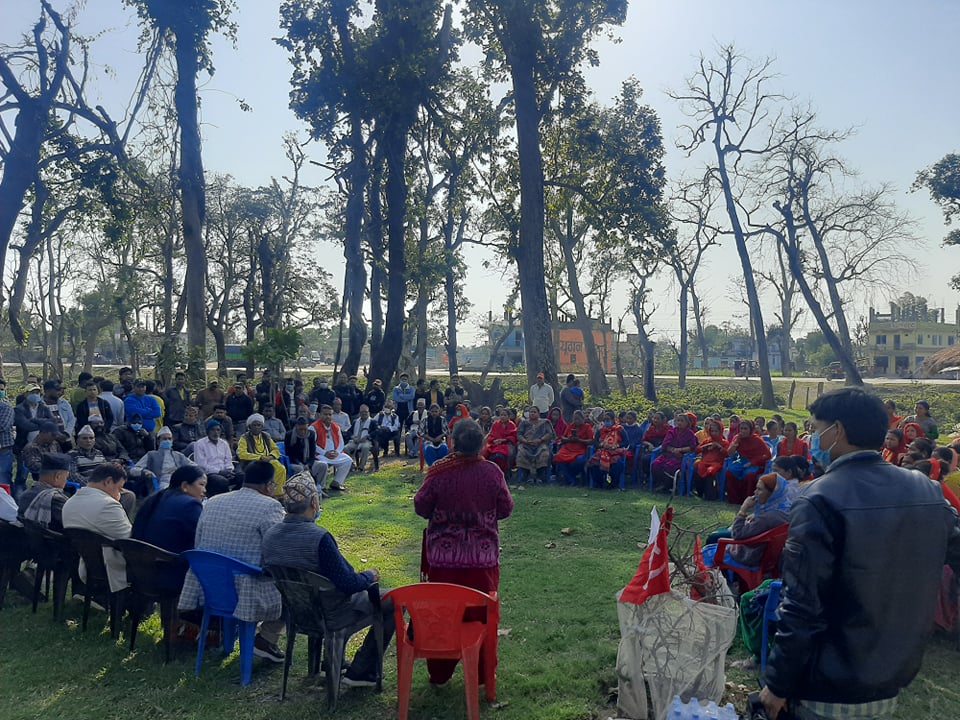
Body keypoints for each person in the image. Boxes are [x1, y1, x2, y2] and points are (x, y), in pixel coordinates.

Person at [760, 387, 960, 720]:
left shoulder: (818, 499)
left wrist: (778, 684)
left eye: (813, 428)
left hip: (827, 683)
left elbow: (801, 606)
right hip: (892, 673)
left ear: (836, 431)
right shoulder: (926, 489)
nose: (811, 438)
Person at [262, 474, 395, 688]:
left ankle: (334, 662)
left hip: (297, 612)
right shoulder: (319, 537)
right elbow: (348, 583)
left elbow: (268, 571)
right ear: (314, 503)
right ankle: (362, 671)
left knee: (331, 593)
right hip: (333, 613)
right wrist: (370, 575)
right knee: (394, 600)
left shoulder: (270, 535)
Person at [414, 419, 514, 687]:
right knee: (481, 618)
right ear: (482, 443)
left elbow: (421, 507)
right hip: (481, 562)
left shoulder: (438, 471)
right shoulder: (492, 472)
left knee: (442, 617)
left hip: (443, 562)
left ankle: (440, 674)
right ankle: (482, 676)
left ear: (453, 442)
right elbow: (506, 509)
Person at [177, 460, 286, 663]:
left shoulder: (213, 502)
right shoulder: (270, 506)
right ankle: (266, 639)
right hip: (247, 591)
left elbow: (199, 543)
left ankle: (247, 642)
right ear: (269, 485)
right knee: (294, 588)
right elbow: (277, 551)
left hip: (209, 587)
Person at [62, 462, 132, 594]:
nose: (121, 492)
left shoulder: (69, 502)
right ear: (108, 481)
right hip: (113, 567)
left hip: (88, 565)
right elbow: (130, 540)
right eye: (119, 488)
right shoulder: (108, 505)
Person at [131, 465, 206, 554]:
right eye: (201, 484)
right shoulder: (190, 505)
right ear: (185, 486)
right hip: (170, 562)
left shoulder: (156, 498)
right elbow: (202, 537)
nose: (204, 490)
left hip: (141, 560)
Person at [130, 426, 196, 495]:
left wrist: (183, 471)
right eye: (164, 439)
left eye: (169, 439)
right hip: (161, 482)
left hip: (178, 481)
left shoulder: (178, 455)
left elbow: (194, 466)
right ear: (158, 441)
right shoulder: (151, 455)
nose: (167, 441)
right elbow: (133, 470)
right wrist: (145, 472)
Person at [17, 452, 71, 531]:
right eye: (66, 477)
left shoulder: (25, 495)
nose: (66, 481)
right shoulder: (56, 499)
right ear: (57, 476)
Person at [723, 419, 772, 505]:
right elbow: (730, 454)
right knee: (730, 471)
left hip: (755, 462)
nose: (743, 431)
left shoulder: (757, 440)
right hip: (741, 460)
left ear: (751, 430)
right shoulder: (737, 438)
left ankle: (748, 500)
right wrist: (735, 444)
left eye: (745, 429)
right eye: (741, 428)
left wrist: (752, 463)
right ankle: (734, 499)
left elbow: (767, 455)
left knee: (750, 475)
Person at [651, 413, 698, 493]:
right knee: (655, 465)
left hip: (681, 457)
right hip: (669, 454)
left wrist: (680, 450)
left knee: (671, 467)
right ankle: (663, 484)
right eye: (678, 421)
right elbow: (665, 444)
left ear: (687, 423)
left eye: (682, 421)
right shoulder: (672, 432)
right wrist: (672, 450)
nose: (679, 423)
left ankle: (670, 486)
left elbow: (692, 447)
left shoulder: (690, 434)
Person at [312, 405, 353, 491]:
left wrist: (337, 452)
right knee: (323, 465)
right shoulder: (313, 427)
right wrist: (324, 453)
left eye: (330, 414)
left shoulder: (336, 426)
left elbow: (341, 442)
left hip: (334, 454)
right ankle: (322, 487)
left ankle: (336, 483)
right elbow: (312, 444)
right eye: (325, 414)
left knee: (348, 460)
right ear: (320, 415)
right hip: (320, 455)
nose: (328, 416)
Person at [192, 420, 239, 496]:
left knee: (242, 477)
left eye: (218, 430)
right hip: (209, 474)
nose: (215, 432)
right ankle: (225, 500)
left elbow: (228, 460)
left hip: (226, 472)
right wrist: (219, 472)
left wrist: (229, 470)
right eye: (212, 430)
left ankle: (236, 498)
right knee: (221, 481)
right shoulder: (200, 444)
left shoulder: (224, 443)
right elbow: (202, 465)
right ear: (207, 431)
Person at [552, 410, 595, 486]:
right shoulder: (571, 426)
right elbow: (563, 438)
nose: (576, 421)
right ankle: (571, 480)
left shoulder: (587, 427)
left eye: (578, 419)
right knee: (558, 457)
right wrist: (569, 439)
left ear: (582, 418)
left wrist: (579, 440)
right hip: (568, 449)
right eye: (575, 419)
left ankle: (575, 478)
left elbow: (591, 441)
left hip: (580, 449)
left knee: (579, 460)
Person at [515, 405, 555, 484]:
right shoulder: (524, 423)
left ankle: (540, 476)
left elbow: (550, 434)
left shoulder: (545, 422)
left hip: (541, 444)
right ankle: (526, 476)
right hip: (526, 444)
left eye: (534, 412)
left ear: (538, 413)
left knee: (544, 454)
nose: (532, 414)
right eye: (531, 412)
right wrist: (525, 441)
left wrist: (540, 440)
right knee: (521, 453)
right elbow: (519, 434)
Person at [284, 417, 326, 490]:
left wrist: (309, 464)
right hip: (295, 462)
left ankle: (319, 488)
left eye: (305, 429)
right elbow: (289, 454)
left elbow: (313, 452)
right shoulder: (289, 435)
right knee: (300, 469)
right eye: (300, 429)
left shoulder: (311, 434)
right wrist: (300, 463)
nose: (303, 432)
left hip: (308, 461)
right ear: (296, 426)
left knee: (323, 465)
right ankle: (304, 489)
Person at [694, 419, 729, 500]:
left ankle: (710, 495)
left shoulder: (724, 442)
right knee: (698, 468)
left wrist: (718, 446)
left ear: (721, 431)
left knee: (710, 472)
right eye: (712, 431)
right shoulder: (707, 441)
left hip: (716, 463)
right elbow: (697, 450)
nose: (713, 433)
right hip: (705, 462)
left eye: (716, 431)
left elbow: (727, 454)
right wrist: (706, 446)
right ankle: (700, 492)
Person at [482, 408, 517, 476]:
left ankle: (504, 473)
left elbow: (513, 436)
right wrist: (495, 440)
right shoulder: (496, 424)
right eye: (501, 415)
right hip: (494, 444)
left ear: (508, 416)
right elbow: (492, 434)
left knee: (500, 455)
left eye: (504, 415)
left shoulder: (511, 424)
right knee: (486, 452)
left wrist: (504, 440)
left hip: (507, 444)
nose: (502, 417)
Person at [344, 405, 376, 471]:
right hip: (355, 440)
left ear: (368, 412)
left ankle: (361, 467)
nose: (364, 413)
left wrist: (367, 436)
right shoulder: (355, 421)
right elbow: (349, 431)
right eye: (362, 412)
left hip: (366, 440)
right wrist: (353, 438)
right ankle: (351, 465)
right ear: (359, 413)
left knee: (365, 447)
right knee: (345, 448)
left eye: (365, 412)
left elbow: (376, 431)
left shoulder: (373, 421)